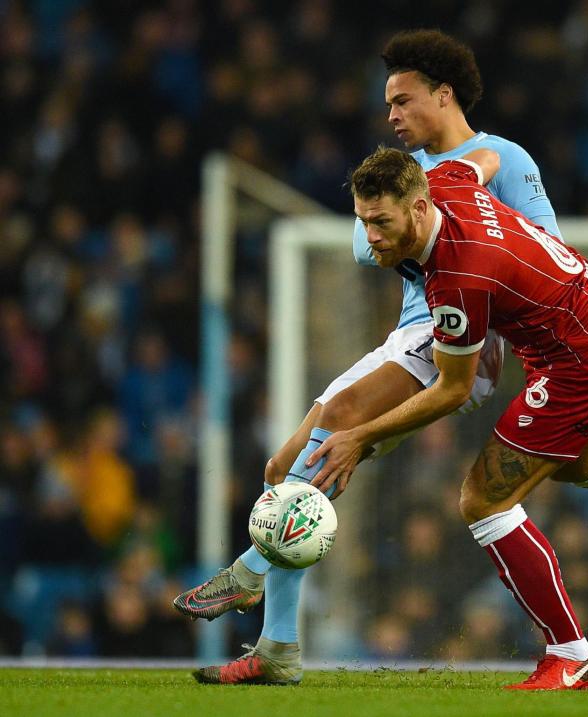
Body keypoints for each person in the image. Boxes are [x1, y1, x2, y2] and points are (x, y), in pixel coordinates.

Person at [173, 30, 564, 684]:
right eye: (388, 103)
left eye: (403, 100)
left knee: (341, 419)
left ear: (444, 95)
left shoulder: (503, 159)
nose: (392, 114)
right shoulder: (403, 175)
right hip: (406, 333)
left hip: (462, 331)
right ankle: (277, 647)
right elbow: (364, 244)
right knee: (286, 465)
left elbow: (549, 253)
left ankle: (249, 573)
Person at [305, 146, 588, 691]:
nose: (371, 237)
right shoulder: (447, 180)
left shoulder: (457, 277)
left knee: (484, 498)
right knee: (577, 463)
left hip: (582, 359)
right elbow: (486, 159)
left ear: (419, 208)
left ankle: (570, 653)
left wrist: (358, 436)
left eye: (382, 222)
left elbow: (453, 390)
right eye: (363, 222)